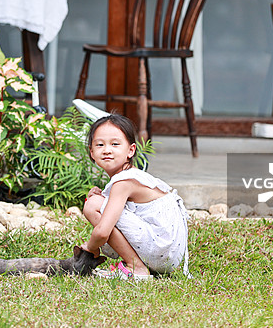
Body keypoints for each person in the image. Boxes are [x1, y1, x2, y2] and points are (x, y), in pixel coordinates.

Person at [80, 114, 190, 280]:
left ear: (131, 150)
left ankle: (136, 268)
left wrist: (90, 247)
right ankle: (138, 264)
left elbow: (102, 232)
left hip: (161, 248)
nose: (107, 150)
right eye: (100, 144)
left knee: (92, 204)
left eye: (115, 144)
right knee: (97, 201)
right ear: (92, 152)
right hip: (166, 253)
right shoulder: (128, 177)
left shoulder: (123, 182)